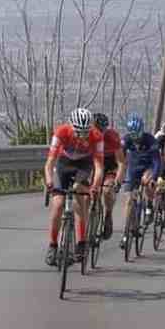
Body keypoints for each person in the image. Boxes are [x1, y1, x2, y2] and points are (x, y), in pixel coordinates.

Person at [44, 108, 104, 266]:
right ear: (71, 126)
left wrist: (95, 187)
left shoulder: (96, 136)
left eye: (85, 132)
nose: (81, 136)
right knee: (57, 204)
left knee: (79, 196)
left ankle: (81, 242)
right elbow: (50, 163)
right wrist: (50, 181)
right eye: (78, 132)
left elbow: (99, 167)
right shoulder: (61, 132)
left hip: (83, 166)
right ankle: (52, 245)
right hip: (64, 164)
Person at [118, 114, 161, 252]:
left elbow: (156, 162)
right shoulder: (126, 139)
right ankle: (127, 230)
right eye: (133, 135)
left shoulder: (151, 140)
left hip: (147, 167)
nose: (135, 137)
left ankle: (149, 205)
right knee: (129, 200)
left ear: (142, 131)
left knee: (147, 182)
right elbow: (119, 156)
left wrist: (153, 177)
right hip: (132, 169)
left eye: (138, 134)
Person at [95, 112, 124, 240]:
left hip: (110, 164)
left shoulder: (112, 136)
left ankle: (108, 215)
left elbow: (121, 162)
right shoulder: (86, 135)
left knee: (107, 191)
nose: (99, 133)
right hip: (94, 164)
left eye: (102, 130)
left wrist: (117, 181)